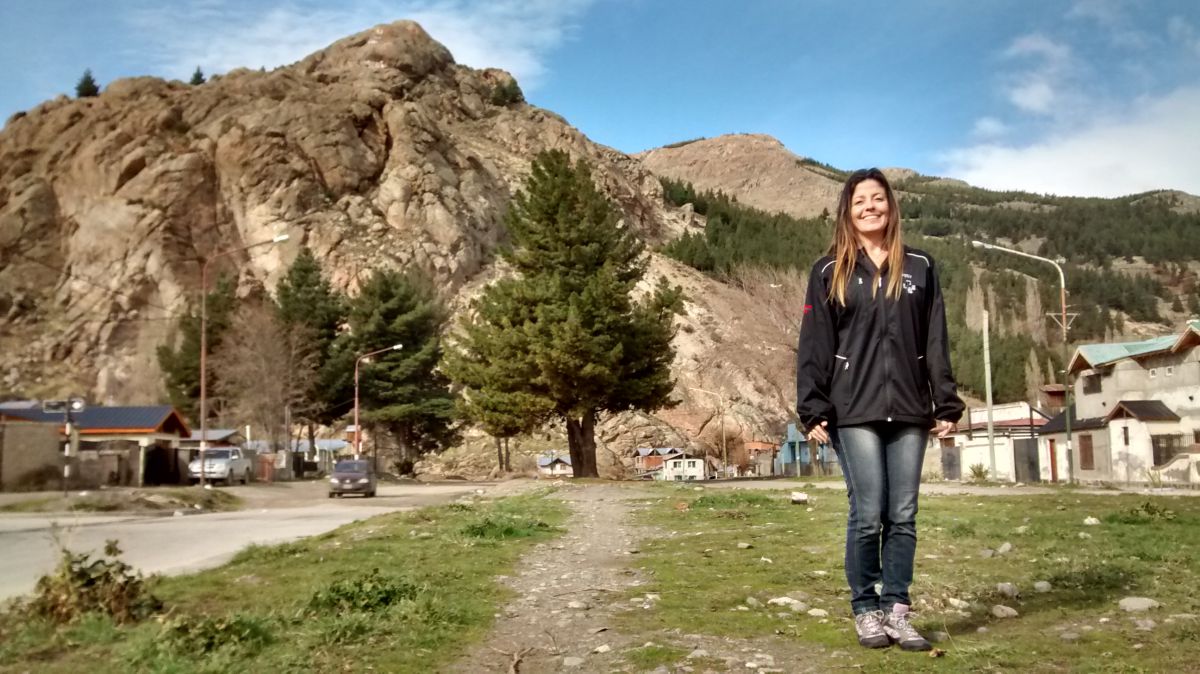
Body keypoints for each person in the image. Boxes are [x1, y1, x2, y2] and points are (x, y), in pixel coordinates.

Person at [795, 168, 963, 651]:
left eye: (878, 198)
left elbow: (935, 339)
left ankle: (897, 610)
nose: (870, 207)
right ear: (847, 212)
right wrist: (812, 408)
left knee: (903, 515)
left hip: (910, 408)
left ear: (891, 205)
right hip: (854, 409)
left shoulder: (921, 266)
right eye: (860, 201)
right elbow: (815, 343)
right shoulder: (829, 271)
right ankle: (865, 609)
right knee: (868, 513)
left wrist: (946, 402)